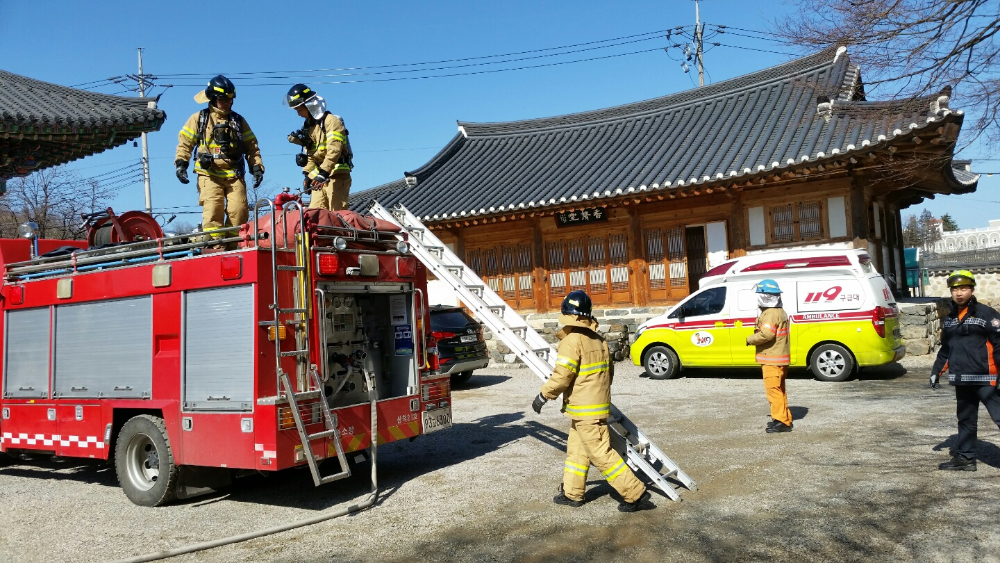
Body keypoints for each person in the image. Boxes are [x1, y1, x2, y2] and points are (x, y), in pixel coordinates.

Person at [531, 290, 653, 513]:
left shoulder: (571, 341)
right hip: (590, 408)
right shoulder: (598, 339)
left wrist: (543, 396)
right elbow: (610, 374)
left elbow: (562, 376)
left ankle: (635, 493)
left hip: (584, 410)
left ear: (568, 315)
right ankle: (573, 494)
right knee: (577, 453)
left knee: (601, 454)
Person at [175, 75, 264, 244]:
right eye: (224, 99)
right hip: (209, 175)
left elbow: (251, 146)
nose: (228, 103)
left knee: (239, 212)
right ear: (213, 98)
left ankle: (234, 248)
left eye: (231, 99)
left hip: (234, 174)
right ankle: (216, 249)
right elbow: (185, 143)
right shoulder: (199, 119)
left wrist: (257, 166)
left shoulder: (238, 121)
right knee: (213, 212)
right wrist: (181, 164)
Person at [931, 270, 1000, 471]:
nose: (959, 293)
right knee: (966, 420)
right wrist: (937, 371)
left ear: (972, 290)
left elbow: (998, 344)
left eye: (963, 289)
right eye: (955, 290)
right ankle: (965, 459)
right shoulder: (950, 319)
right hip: (962, 378)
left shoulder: (987, 314)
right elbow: (946, 349)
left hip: (986, 378)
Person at [284, 84, 353, 211]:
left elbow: (335, 149)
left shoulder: (332, 121)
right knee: (314, 213)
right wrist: (308, 176)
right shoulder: (309, 127)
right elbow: (311, 155)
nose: (298, 114)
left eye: (299, 109)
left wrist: (324, 172)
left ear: (308, 105)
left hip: (337, 174)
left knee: (337, 214)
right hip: (321, 177)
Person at [746, 278, 793, 433]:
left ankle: (781, 422)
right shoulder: (780, 312)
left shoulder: (770, 314)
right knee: (779, 390)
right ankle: (784, 418)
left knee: (773, 390)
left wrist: (750, 339)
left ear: (764, 296)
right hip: (780, 358)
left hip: (772, 359)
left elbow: (766, 334)